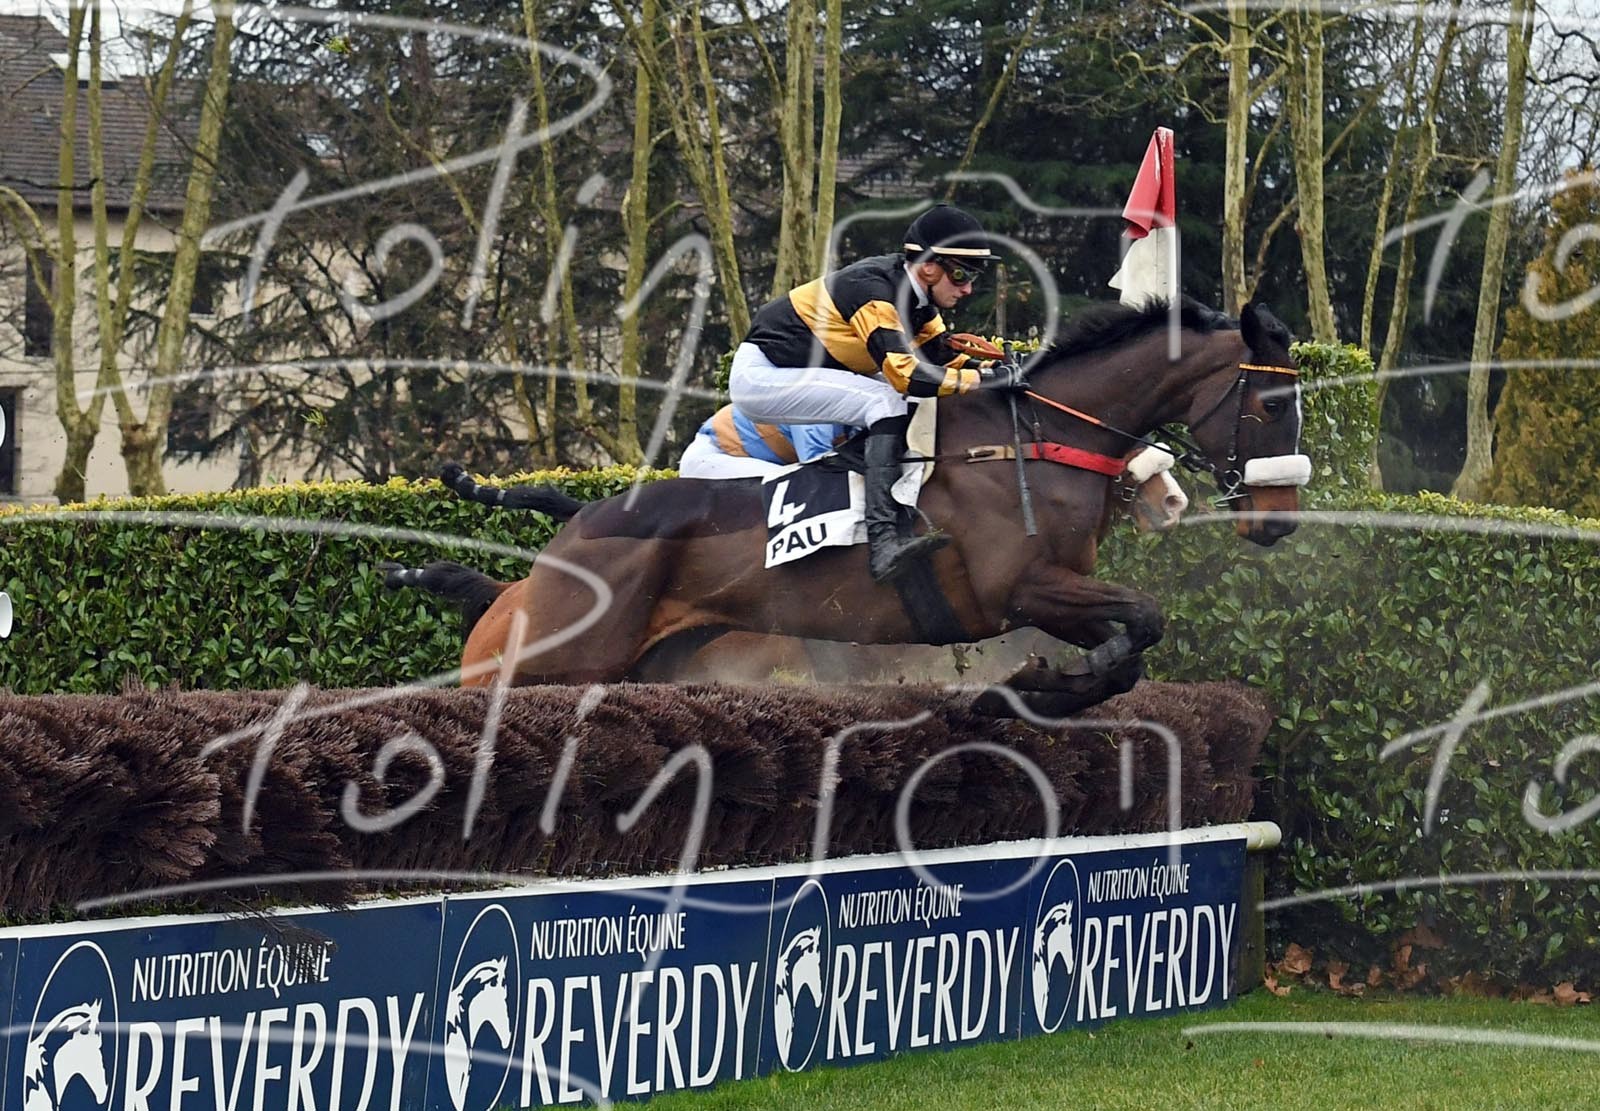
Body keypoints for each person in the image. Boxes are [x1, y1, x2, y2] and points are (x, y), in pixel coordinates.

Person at [729, 203, 1024, 582]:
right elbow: (906, 375)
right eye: (961, 274)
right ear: (928, 267)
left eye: (972, 277)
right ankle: (883, 543)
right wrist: (987, 380)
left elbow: (940, 359)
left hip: (800, 371)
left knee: (903, 399)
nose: (967, 288)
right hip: (763, 376)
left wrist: (1005, 369)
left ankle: (856, 470)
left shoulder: (919, 301)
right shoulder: (874, 291)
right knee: (886, 399)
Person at [678, 404, 847, 480]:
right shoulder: (814, 405)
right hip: (712, 458)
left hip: (749, 459)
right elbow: (819, 472)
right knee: (794, 487)